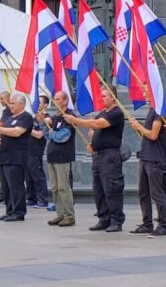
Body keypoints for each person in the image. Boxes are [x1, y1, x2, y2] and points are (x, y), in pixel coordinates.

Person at [65, 96, 126, 232]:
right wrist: (93, 142)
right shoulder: (103, 112)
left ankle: (116, 220)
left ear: (113, 97)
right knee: (99, 190)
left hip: (110, 156)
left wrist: (76, 121)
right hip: (98, 156)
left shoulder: (116, 112)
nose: (101, 97)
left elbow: (99, 124)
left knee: (112, 189)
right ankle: (104, 219)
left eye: (104, 95)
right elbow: (94, 127)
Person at [0, 94, 35, 221]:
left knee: (16, 186)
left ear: (22, 104)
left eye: (13, 103)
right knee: (6, 187)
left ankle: (19, 212)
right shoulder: (9, 118)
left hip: (16, 157)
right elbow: (1, 132)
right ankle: (9, 210)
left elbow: (17, 132)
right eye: (11, 103)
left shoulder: (26, 117)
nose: (11, 105)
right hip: (3, 157)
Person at [129, 103, 166, 238]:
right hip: (145, 156)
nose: (144, 93)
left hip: (154, 158)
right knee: (143, 193)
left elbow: (153, 135)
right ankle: (147, 223)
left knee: (156, 193)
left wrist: (139, 127)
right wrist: (138, 127)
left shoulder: (159, 111)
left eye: (146, 88)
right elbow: (147, 135)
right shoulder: (152, 110)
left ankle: (163, 225)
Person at [42, 92, 76, 227]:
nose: (55, 101)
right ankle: (60, 214)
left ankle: (69, 215)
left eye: (58, 99)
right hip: (52, 154)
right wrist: (44, 124)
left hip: (63, 156)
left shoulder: (69, 116)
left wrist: (51, 133)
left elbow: (63, 137)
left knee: (63, 187)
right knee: (55, 188)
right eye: (54, 99)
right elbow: (46, 133)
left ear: (65, 101)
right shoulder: (56, 116)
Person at [26, 103, 51, 209]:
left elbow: (40, 134)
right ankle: (31, 199)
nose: (37, 105)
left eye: (40, 102)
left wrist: (25, 129)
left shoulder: (47, 119)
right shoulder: (32, 118)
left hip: (36, 151)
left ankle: (43, 200)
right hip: (27, 150)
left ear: (45, 105)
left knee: (38, 175)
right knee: (28, 176)